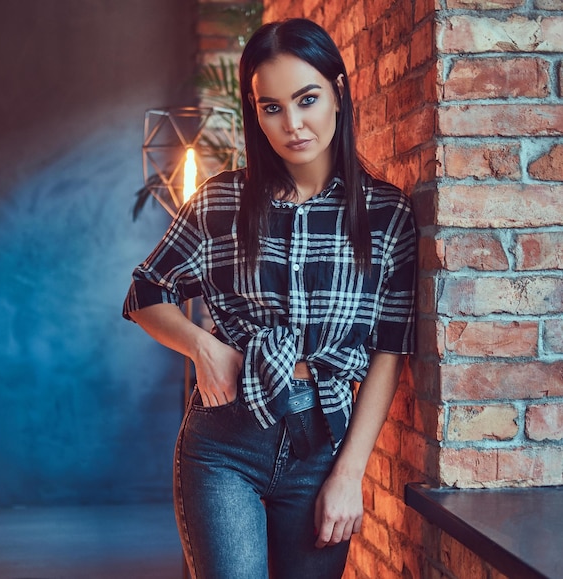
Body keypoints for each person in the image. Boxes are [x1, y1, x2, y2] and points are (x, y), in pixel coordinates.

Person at [123, 17, 416, 579]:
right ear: (255, 113)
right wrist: (203, 348)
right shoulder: (221, 201)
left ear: (339, 92)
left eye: (307, 99)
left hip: (322, 442)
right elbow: (145, 292)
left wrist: (350, 474)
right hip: (224, 441)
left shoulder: (386, 214)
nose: (294, 124)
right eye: (271, 107)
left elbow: (389, 348)